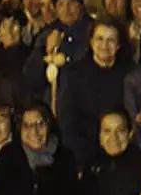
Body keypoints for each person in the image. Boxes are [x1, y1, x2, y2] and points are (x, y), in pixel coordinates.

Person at [57, 20, 135, 173]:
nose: (105, 45)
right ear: (91, 42)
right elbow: (67, 122)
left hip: (125, 155)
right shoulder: (75, 75)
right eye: (100, 39)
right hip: (86, 157)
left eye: (111, 40)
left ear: (119, 45)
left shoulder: (130, 73)